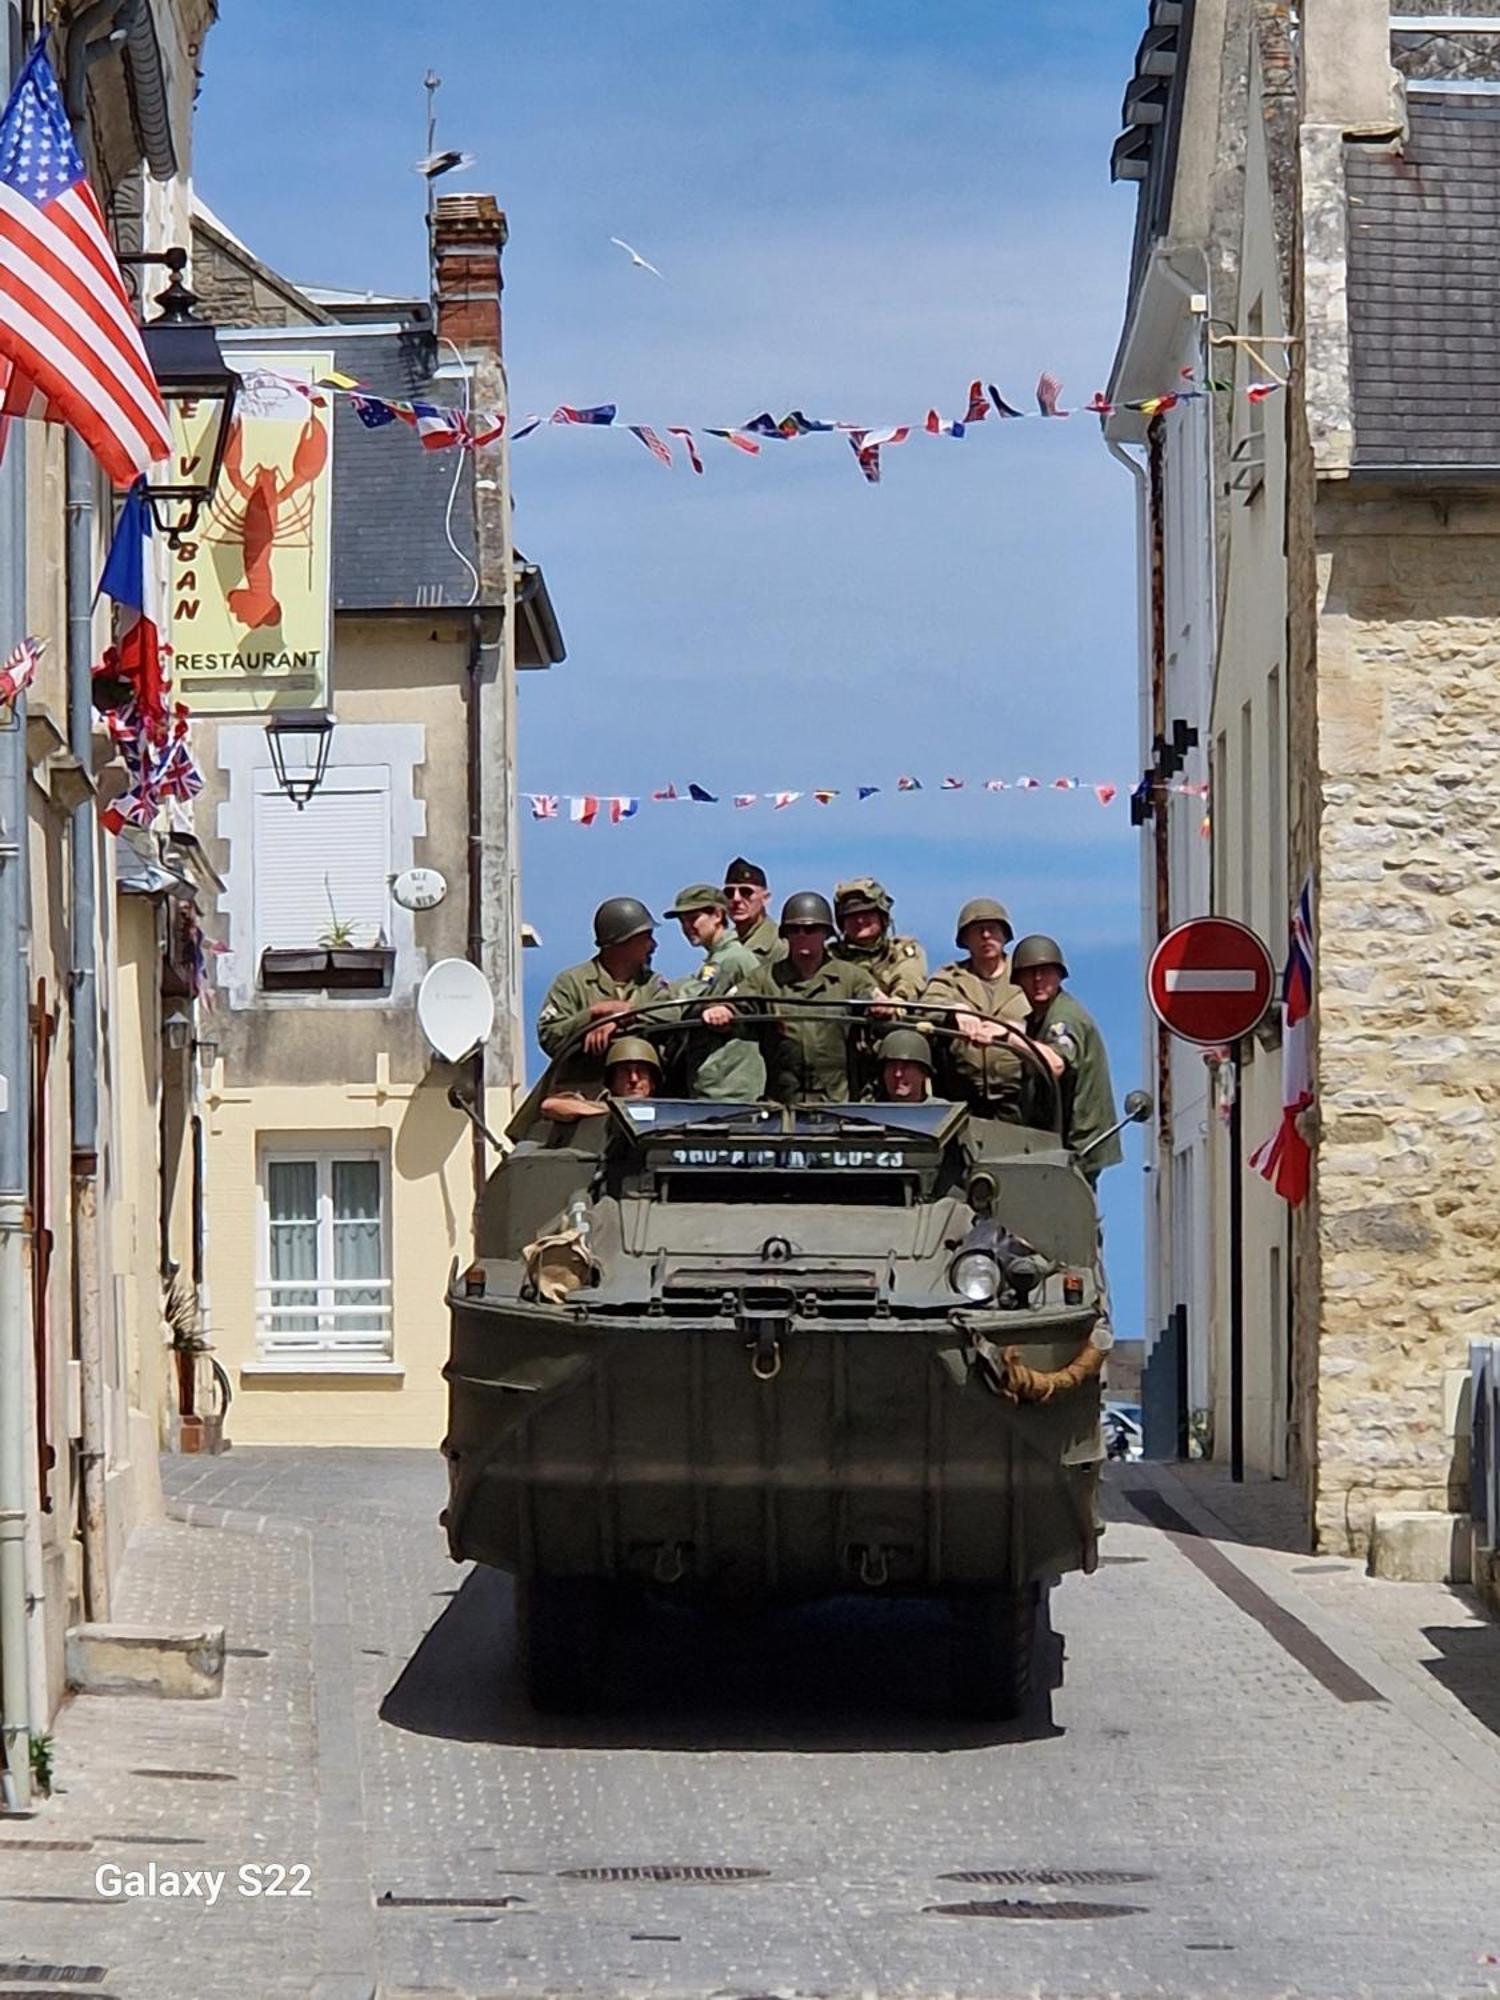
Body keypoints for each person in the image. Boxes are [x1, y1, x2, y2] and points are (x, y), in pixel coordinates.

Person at [704, 891, 891, 1103]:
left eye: (811, 929)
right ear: (786, 934)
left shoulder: (850, 977)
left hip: (839, 1104)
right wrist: (722, 1010)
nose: (802, 935)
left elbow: (874, 999)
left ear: (825, 933)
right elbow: (737, 1003)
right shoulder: (765, 978)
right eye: (794, 929)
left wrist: (881, 1007)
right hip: (781, 1105)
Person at [921, 898, 1062, 1120]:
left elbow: (1054, 1012)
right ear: (965, 940)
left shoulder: (1025, 976)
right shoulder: (952, 977)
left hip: (1019, 1099)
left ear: (1005, 935)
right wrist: (955, 1009)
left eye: (992, 929)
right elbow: (927, 1005)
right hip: (963, 1098)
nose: (986, 936)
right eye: (978, 931)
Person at [1010, 934, 1122, 1180]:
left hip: (1078, 1146)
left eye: (1045, 972)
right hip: (1059, 1144)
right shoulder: (1038, 1020)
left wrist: (1009, 1037)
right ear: (1018, 980)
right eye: (1030, 973)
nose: (1038, 980)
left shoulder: (1065, 1017)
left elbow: (1056, 1064)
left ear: (1059, 975)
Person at [536, 897, 669, 1091]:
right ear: (622, 941)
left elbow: (670, 1016)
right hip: (585, 1094)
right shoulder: (572, 982)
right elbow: (550, 1035)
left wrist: (619, 1019)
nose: (653, 945)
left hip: (642, 1096)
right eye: (645, 937)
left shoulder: (653, 984)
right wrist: (593, 1014)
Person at [664, 883, 766, 1100]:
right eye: (683, 921)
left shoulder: (730, 960)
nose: (687, 927)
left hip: (729, 1085)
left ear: (718, 915)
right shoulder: (720, 958)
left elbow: (685, 1001)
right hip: (721, 1081)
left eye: (693, 918)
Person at [830, 878, 928, 1002]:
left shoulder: (900, 951)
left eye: (866, 913)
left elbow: (910, 976)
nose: (860, 921)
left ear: (882, 916)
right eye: (852, 915)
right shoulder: (829, 956)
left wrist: (897, 1001)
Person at [538, 1036, 662, 1124]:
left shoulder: (667, 1114)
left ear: (652, 1082)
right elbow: (550, 1105)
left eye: (641, 1071)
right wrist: (612, 1111)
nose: (634, 1079)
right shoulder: (603, 1105)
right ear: (612, 1080)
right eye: (625, 1071)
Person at [722, 857, 782, 963]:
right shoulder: (724, 945)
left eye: (746, 892)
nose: (736, 899)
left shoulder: (780, 945)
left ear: (765, 898)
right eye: (729, 893)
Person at [870, 1027, 936, 1104]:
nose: (897, 1074)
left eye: (906, 1067)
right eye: (891, 1066)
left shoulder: (944, 1112)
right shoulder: (870, 1112)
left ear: (924, 1073)